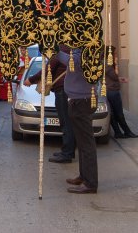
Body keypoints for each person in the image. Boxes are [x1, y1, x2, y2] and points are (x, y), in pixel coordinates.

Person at [24, 45, 76, 163]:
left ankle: (67, 153)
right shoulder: (72, 49)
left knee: (66, 123)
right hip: (69, 90)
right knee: (68, 122)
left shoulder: (60, 51)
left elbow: (48, 69)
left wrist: (30, 80)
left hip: (62, 91)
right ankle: (67, 150)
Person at [58, 47, 98, 194]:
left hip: (82, 101)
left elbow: (71, 62)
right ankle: (84, 175)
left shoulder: (87, 50)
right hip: (77, 100)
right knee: (81, 143)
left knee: (86, 144)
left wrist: (54, 49)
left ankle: (90, 183)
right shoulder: (77, 49)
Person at [105, 46, 138, 139]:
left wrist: (119, 79)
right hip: (112, 91)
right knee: (119, 113)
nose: (116, 55)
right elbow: (114, 76)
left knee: (112, 113)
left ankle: (118, 132)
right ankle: (127, 131)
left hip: (108, 90)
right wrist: (116, 65)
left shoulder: (103, 64)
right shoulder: (108, 65)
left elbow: (112, 77)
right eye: (115, 53)